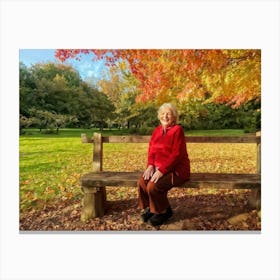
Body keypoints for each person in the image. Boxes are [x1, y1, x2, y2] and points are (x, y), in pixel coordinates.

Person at [137, 103, 190, 226]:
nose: (165, 116)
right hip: (157, 168)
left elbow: (177, 154)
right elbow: (151, 150)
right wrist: (150, 165)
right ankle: (151, 208)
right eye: (162, 114)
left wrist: (161, 170)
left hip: (176, 170)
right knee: (142, 181)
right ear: (159, 116)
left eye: (168, 114)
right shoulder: (156, 131)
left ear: (174, 117)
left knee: (153, 186)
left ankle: (163, 212)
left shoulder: (177, 130)